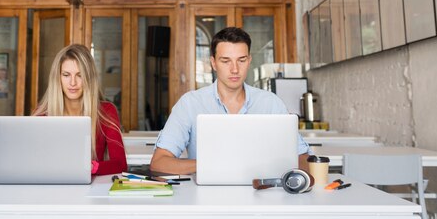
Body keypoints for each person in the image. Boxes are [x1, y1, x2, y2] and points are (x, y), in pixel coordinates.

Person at [150, 27, 311, 175]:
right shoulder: (190, 103)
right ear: (213, 63)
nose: (234, 69)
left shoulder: (271, 103)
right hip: (206, 196)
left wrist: (298, 180)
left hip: (262, 192)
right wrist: (214, 164)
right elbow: (159, 162)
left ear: (249, 60)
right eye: (225, 61)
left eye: (241, 60)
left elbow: (302, 155)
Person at [32, 44, 127, 175]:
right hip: (52, 189)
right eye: (66, 75)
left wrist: (90, 168)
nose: (72, 83)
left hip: (91, 189)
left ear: (89, 77)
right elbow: (32, 163)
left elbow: (120, 164)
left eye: (80, 75)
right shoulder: (42, 115)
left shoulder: (106, 111)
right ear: (57, 78)